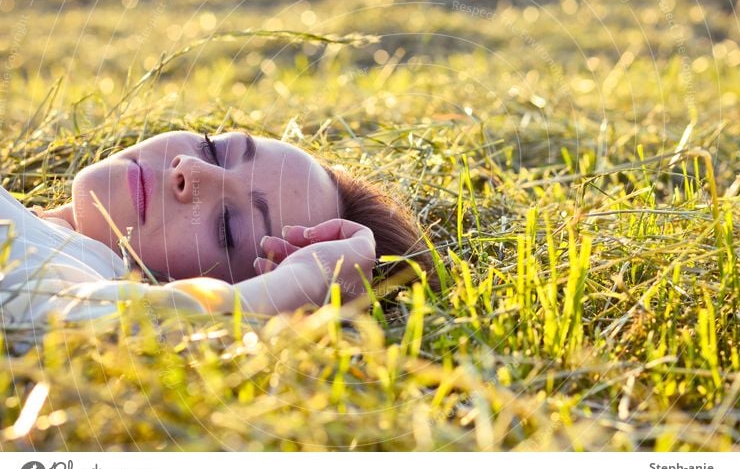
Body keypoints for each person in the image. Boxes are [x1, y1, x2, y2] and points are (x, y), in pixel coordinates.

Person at [0, 129, 437, 347]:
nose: (192, 169)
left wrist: (306, 279)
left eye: (226, 226)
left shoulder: (74, 282)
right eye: (214, 147)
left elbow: (168, 322)